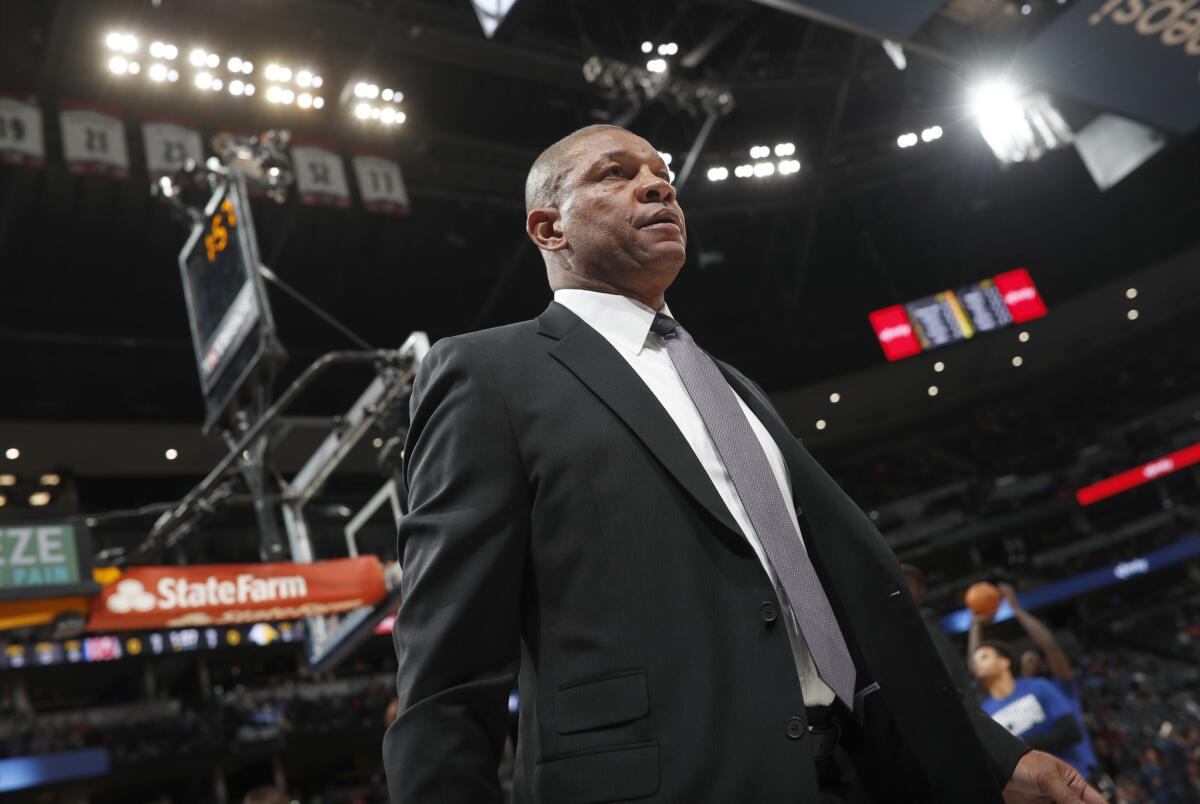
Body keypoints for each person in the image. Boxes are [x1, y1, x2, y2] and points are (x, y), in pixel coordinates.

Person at [382, 123, 1104, 804]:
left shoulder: (733, 387)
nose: (659, 186)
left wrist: (995, 758)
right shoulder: (489, 372)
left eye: (664, 175)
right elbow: (447, 660)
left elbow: (837, 607)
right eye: (617, 174)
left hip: (854, 773)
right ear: (550, 227)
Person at [970, 583, 1101, 785]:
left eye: (1034, 659)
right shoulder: (986, 708)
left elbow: (1050, 646)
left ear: (1005, 663)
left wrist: (1016, 609)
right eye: (1025, 660)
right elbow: (976, 661)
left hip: (1076, 781)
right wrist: (976, 624)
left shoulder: (1044, 686)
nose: (1029, 661)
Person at [974, 642, 1089, 766]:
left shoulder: (1038, 686)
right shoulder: (984, 712)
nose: (977, 664)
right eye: (974, 662)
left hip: (1070, 772)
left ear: (1004, 662)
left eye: (984, 657)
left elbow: (1071, 732)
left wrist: (1021, 745)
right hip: (1030, 783)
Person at [901, 563, 973, 694]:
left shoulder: (926, 623)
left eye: (909, 583)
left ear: (921, 591)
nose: (904, 588)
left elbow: (951, 675)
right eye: (899, 584)